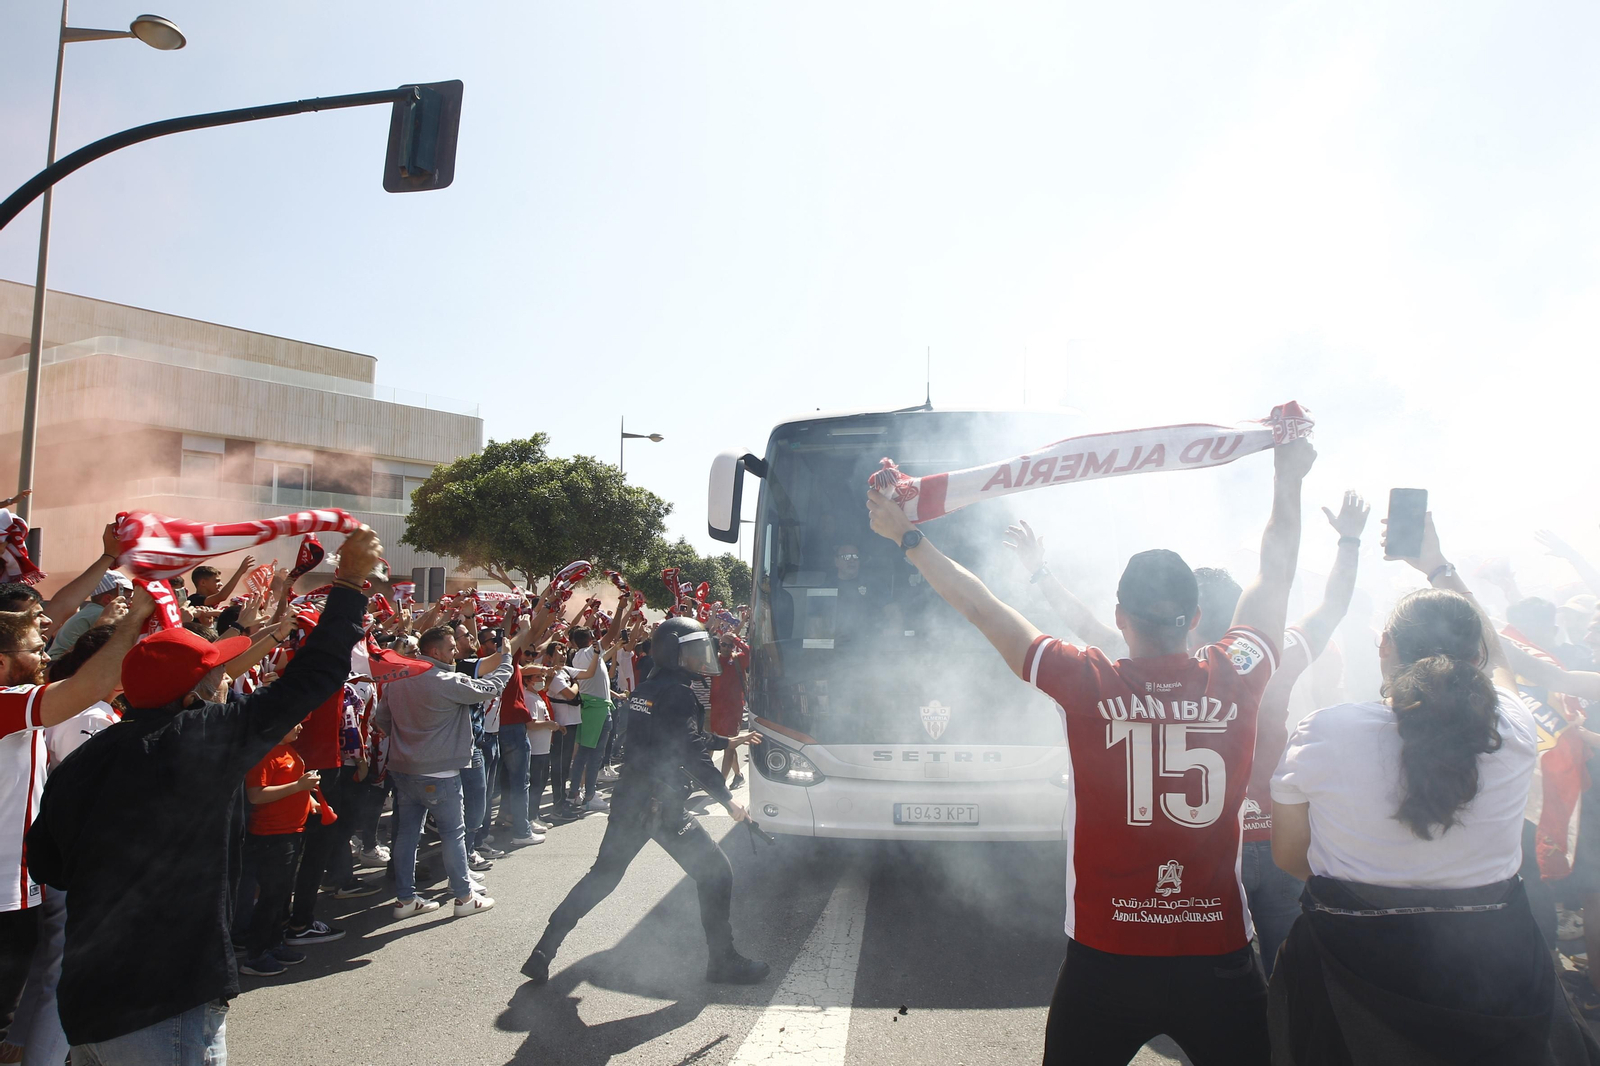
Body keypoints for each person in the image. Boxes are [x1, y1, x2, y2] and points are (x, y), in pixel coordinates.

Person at [866, 436, 1316, 1066]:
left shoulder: (1086, 678)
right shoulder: (1238, 670)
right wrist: (1289, 471)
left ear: (1119, 615)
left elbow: (981, 606)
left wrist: (909, 539)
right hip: (1218, 956)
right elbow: (1277, 568)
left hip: (1106, 958)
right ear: (1193, 619)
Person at [25, 527, 383, 1066]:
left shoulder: (83, 760)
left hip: (86, 1008)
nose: (226, 680)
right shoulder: (202, 739)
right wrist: (351, 582)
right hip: (165, 1005)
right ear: (195, 694)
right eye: (217, 672)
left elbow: (48, 863)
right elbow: (315, 676)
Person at [1268, 515, 1600, 1064]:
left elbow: (1289, 856)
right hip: (1493, 973)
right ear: (1475, 659)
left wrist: (1379, 880)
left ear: (1384, 648)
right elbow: (1501, 662)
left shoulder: (1326, 732)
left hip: (1351, 974)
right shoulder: (1513, 730)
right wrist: (1439, 569)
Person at [522, 616, 769, 988]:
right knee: (716, 873)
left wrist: (726, 741)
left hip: (630, 799)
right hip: (662, 805)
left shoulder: (648, 689)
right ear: (673, 653)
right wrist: (729, 801)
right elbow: (689, 752)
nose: (701, 657)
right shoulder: (679, 692)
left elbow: (676, 737)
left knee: (602, 876)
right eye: (692, 651)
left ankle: (544, 950)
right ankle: (722, 961)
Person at [1237, 491, 1368, 978]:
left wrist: (1042, 578)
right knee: (1288, 966)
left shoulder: (1186, 659)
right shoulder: (1281, 651)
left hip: (1212, 838)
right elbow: (1334, 606)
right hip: (1278, 833)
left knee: (1207, 968)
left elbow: (1094, 628)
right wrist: (1349, 541)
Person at [376, 619, 534, 919]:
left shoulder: (398, 680)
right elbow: (491, 687)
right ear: (434, 651)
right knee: (452, 833)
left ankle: (405, 899)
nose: (454, 653)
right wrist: (505, 658)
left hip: (403, 769)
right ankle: (463, 896)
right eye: (450, 648)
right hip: (439, 773)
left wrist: (407, 741)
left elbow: (382, 719)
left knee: (408, 834)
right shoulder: (444, 681)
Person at [238, 721, 321, 977]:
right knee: (271, 897)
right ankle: (256, 954)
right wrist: (299, 788)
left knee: (280, 894)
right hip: (271, 835)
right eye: (294, 722)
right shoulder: (264, 752)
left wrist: (309, 799)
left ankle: (274, 945)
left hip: (291, 832)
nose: (300, 727)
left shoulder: (288, 749)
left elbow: (294, 782)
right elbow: (256, 794)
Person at [47, 570, 130, 656]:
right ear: (108, 599)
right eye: (127, 598)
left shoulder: (91, 610)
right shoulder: (101, 613)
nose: (130, 602)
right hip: (60, 663)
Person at [709, 633, 750, 787]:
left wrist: (736, 639)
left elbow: (750, 652)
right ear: (719, 644)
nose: (726, 648)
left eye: (730, 645)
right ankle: (738, 775)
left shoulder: (738, 659)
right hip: (716, 708)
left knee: (730, 745)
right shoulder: (713, 660)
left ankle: (721, 782)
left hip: (734, 709)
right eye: (723, 644)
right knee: (720, 743)